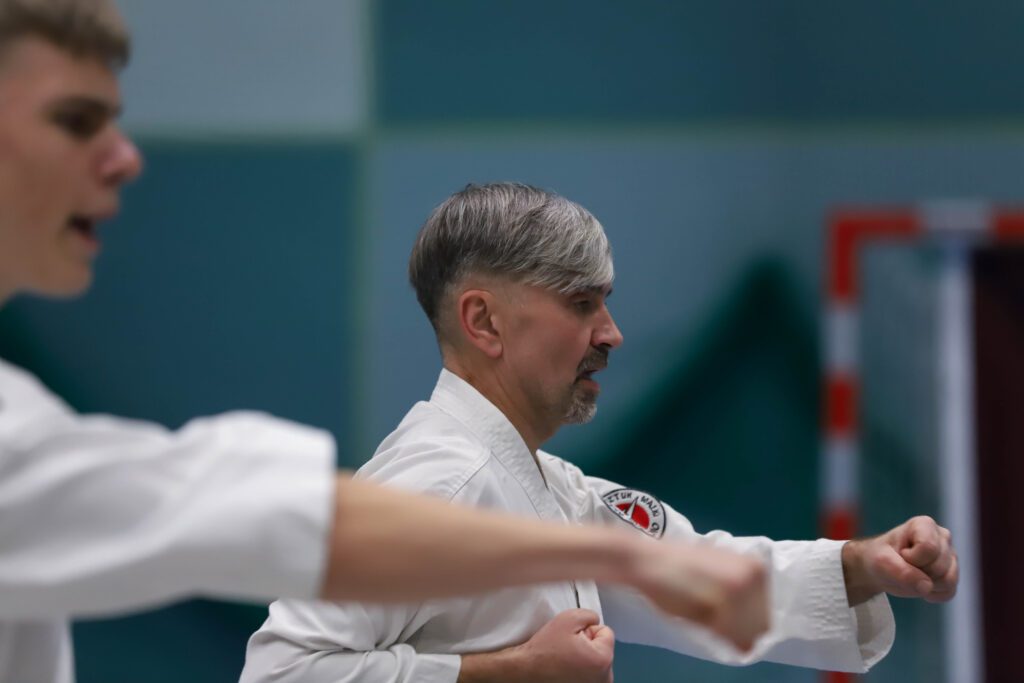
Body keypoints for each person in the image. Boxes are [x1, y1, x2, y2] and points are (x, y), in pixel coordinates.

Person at [0, 2, 774, 681]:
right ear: (483, 320)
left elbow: (248, 508)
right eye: (73, 120)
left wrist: (642, 557)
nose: (124, 157)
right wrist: (539, 641)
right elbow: (258, 523)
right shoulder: (448, 471)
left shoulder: (551, 484)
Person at [241, 182, 960, 683]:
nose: (611, 334)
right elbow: (283, 670)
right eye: (581, 303)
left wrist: (861, 564)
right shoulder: (437, 484)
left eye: (605, 303)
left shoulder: (554, 491)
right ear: (484, 321)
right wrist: (511, 673)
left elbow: (698, 571)